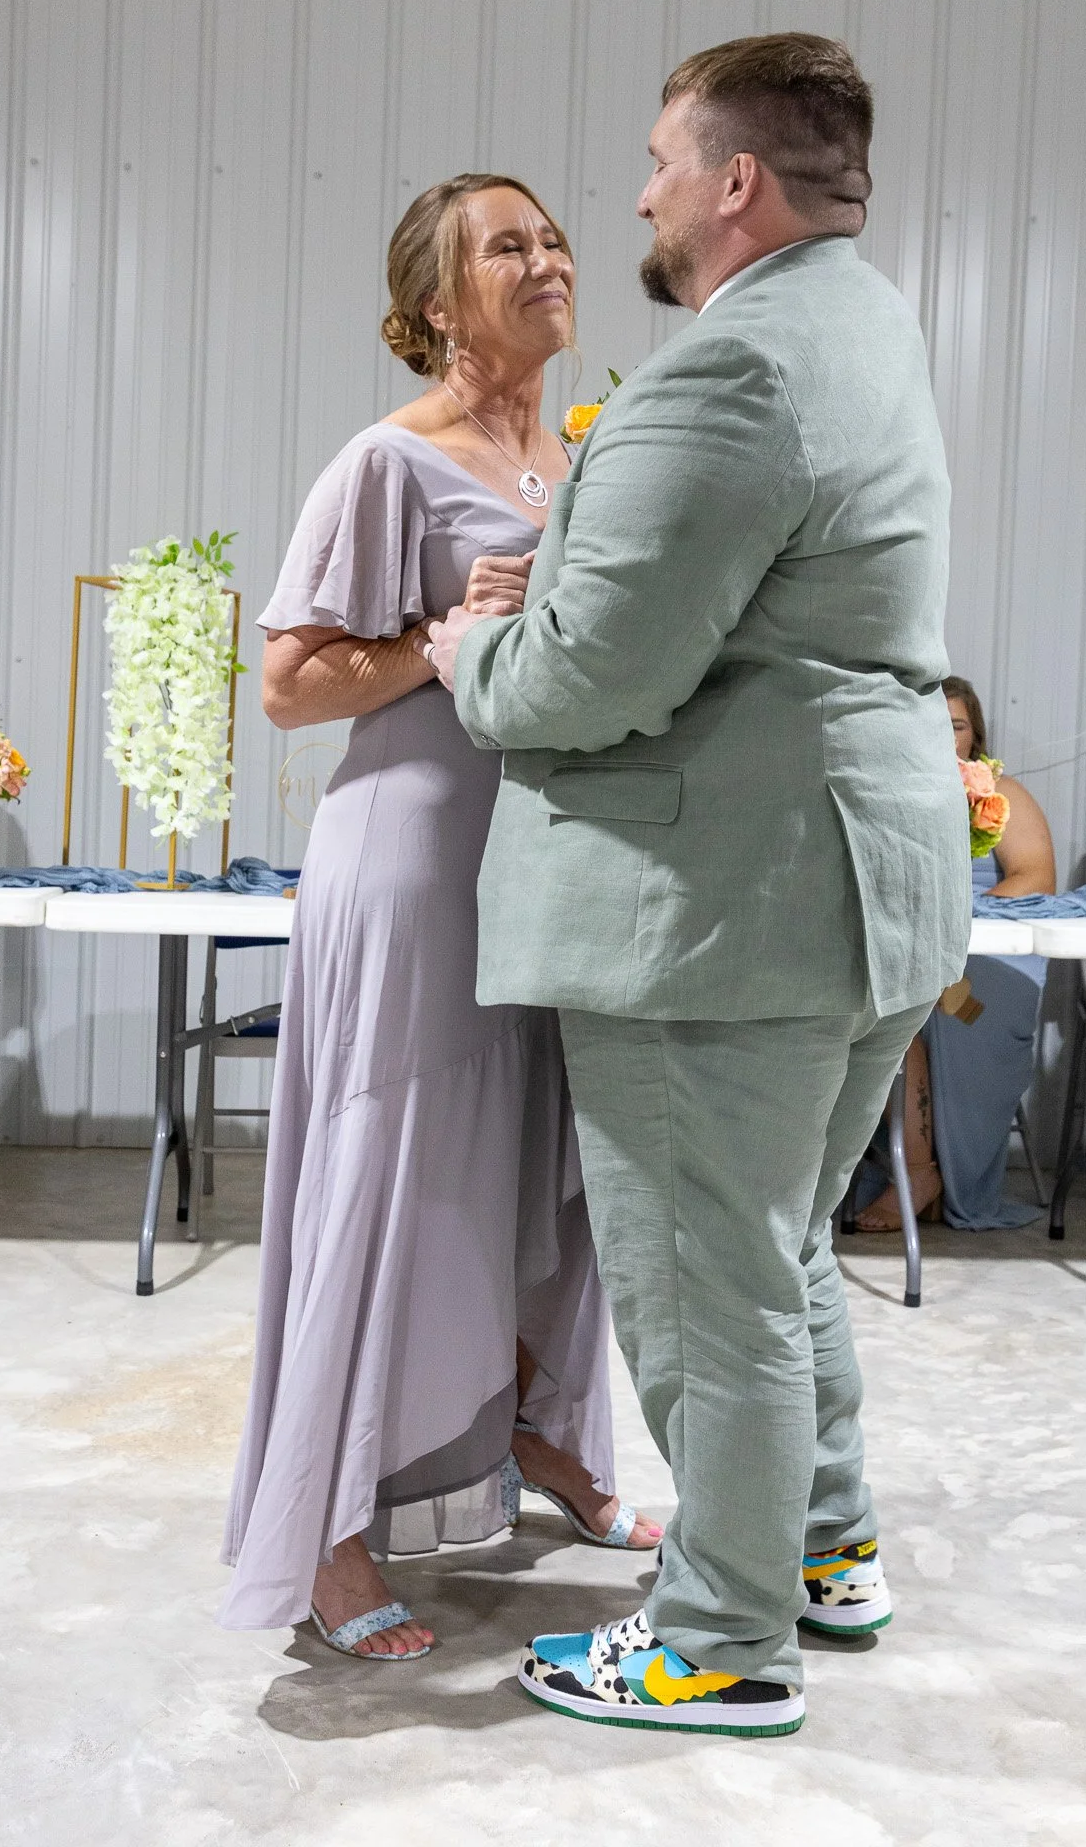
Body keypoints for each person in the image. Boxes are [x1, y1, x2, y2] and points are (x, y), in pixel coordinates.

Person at [428, 32, 968, 1736]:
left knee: (702, 1276)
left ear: (737, 182)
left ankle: (719, 1643)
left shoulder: (728, 369)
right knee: (780, 1243)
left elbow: (592, 681)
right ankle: (823, 1546)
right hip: (863, 875)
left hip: (721, 903)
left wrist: (474, 650)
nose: (641, 189)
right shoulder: (862, 323)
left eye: (663, 158)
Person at [220, 175, 660, 1664]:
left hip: (554, 867)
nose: (547, 259)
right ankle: (329, 1533)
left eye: (551, 237)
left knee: (557, 1173)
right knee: (392, 1183)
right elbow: (286, 685)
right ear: (431, 303)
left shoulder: (577, 460)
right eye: (505, 246)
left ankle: (546, 1433)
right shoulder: (384, 465)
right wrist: (433, 636)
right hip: (413, 865)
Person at [856, 675, 1056, 1231]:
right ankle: (917, 1167)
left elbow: (1035, 877)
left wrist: (952, 922)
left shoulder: (1003, 795)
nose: (944, 737)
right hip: (913, 959)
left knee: (951, 1007)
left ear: (976, 736)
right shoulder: (886, 793)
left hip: (987, 970)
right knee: (896, 1010)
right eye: (931, 725)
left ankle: (934, 1173)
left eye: (957, 726)